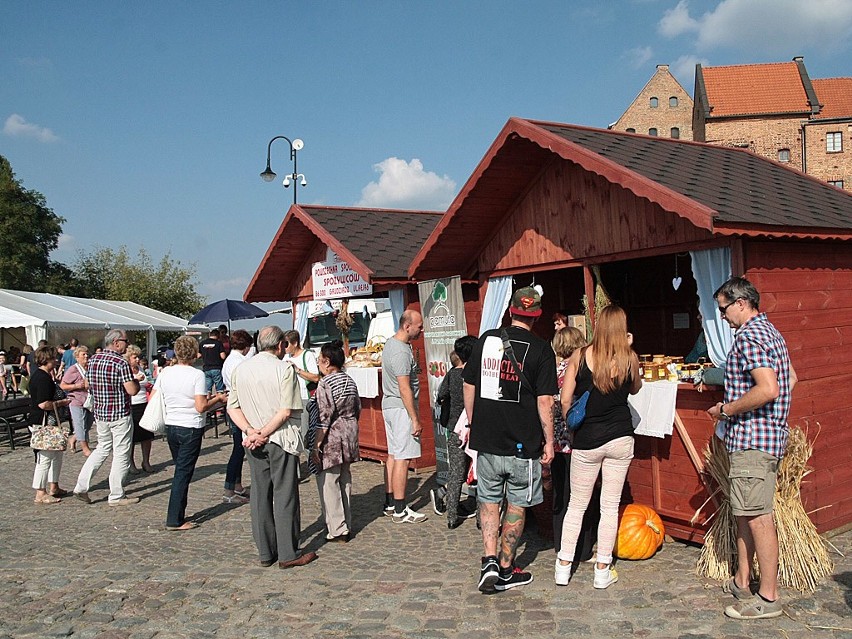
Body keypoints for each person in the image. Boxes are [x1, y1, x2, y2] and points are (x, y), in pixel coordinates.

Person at [707, 277, 797, 620]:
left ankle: (769, 598)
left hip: (753, 441)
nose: (723, 316)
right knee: (745, 511)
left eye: (723, 308)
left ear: (740, 303)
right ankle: (743, 579)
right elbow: (791, 379)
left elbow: (769, 388)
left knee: (759, 517)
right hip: (763, 437)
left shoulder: (749, 337)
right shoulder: (771, 332)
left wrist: (726, 409)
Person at [464, 286, 557, 593]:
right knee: (517, 504)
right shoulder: (542, 350)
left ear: (511, 311)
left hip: (488, 439)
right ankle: (506, 568)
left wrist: (475, 423)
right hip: (523, 444)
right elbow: (545, 402)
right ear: (537, 315)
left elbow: (469, 386)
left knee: (489, 501)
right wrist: (549, 442)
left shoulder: (487, 340)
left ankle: (488, 560)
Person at [556, 305, 642, 590]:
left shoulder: (580, 355)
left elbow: (565, 398)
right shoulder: (629, 358)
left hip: (588, 439)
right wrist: (629, 349)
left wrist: (572, 425)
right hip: (620, 436)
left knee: (577, 504)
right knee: (609, 506)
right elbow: (635, 388)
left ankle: (564, 566)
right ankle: (603, 568)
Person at [227, 325, 316, 568]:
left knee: (259, 494)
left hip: (253, 439)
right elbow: (285, 411)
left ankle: (266, 551)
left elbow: (232, 407)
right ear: (279, 346)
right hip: (280, 438)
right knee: (285, 495)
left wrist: (250, 431)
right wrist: (262, 432)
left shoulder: (241, 370)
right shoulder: (284, 369)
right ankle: (288, 552)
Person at [153, 336, 227, 531]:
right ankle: (174, 518)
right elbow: (201, 406)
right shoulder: (196, 375)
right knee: (182, 473)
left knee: (180, 469)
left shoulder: (166, 373)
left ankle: (178, 513)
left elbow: (155, 395)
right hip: (190, 426)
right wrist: (217, 398)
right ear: (195, 354)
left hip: (171, 424)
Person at [72, 329, 140, 506]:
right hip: (119, 414)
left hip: (101, 414)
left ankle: (81, 486)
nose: (127, 343)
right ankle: (116, 495)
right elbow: (131, 390)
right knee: (121, 454)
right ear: (117, 342)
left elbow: (87, 385)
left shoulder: (93, 359)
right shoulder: (120, 363)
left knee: (101, 449)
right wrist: (137, 382)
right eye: (125, 341)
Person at [551, 327, 599, 559]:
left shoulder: (553, 370)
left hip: (555, 441)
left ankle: (561, 543)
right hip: (575, 437)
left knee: (561, 494)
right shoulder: (580, 369)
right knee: (580, 496)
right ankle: (581, 547)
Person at [310, 340, 361, 542]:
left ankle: (337, 528)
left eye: (320, 360)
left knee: (329, 482)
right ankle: (345, 522)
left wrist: (316, 445)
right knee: (345, 479)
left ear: (327, 361)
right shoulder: (349, 380)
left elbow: (324, 417)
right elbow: (358, 407)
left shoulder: (325, 383)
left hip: (333, 436)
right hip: (350, 431)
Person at [381, 309, 428, 524]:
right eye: (419, 326)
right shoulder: (400, 351)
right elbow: (404, 388)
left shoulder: (391, 344)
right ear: (407, 326)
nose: (422, 329)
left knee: (393, 454)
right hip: (400, 408)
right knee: (402, 457)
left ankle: (390, 502)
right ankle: (400, 508)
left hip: (390, 406)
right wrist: (415, 418)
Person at [434, 336, 479, 529]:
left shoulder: (453, 374)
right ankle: (480, 518)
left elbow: (441, 395)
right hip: (475, 428)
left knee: (456, 474)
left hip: (455, 430)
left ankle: (452, 516)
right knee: (479, 473)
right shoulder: (477, 374)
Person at [29, 345, 72, 504]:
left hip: (51, 422)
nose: (56, 361)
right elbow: (43, 404)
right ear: (46, 359)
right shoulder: (42, 378)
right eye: (54, 358)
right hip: (43, 422)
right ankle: (40, 492)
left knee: (56, 454)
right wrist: (62, 402)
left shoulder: (45, 375)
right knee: (45, 457)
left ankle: (54, 485)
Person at [221, 329, 254, 504]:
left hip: (233, 405)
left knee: (238, 448)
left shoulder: (229, 360)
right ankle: (229, 488)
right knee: (238, 449)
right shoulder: (240, 362)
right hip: (239, 407)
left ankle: (237, 484)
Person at [283, 330, 321, 473]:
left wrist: (297, 370)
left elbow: (316, 377)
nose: (285, 347)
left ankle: (314, 464)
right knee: (292, 434)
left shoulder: (308, 355)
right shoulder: (285, 357)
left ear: (295, 343)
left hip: (304, 398)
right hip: (289, 399)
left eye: (287, 344)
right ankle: (295, 471)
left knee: (305, 434)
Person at [60, 345, 93, 456]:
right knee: (80, 424)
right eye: (83, 354)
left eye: (87, 354)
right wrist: (76, 386)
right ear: (77, 357)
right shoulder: (73, 369)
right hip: (76, 400)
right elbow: (63, 385)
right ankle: (85, 448)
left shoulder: (90, 367)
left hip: (89, 400)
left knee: (88, 424)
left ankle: (74, 439)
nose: (86, 356)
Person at [125, 345, 154, 474]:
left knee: (147, 435)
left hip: (144, 402)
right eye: (134, 357)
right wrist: (135, 379)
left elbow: (146, 383)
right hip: (132, 404)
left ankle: (146, 461)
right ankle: (130, 463)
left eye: (138, 357)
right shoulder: (125, 370)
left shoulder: (140, 368)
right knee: (132, 436)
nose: (137, 359)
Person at [199, 329, 226, 393]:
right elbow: (223, 356)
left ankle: (208, 401)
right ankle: (220, 400)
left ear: (209, 335)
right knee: (219, 389)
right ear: (218, 335)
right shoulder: (218, 343)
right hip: (216, 368)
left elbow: (198, 355)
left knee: (207, 389)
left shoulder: (202, 343)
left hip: (206, 368)